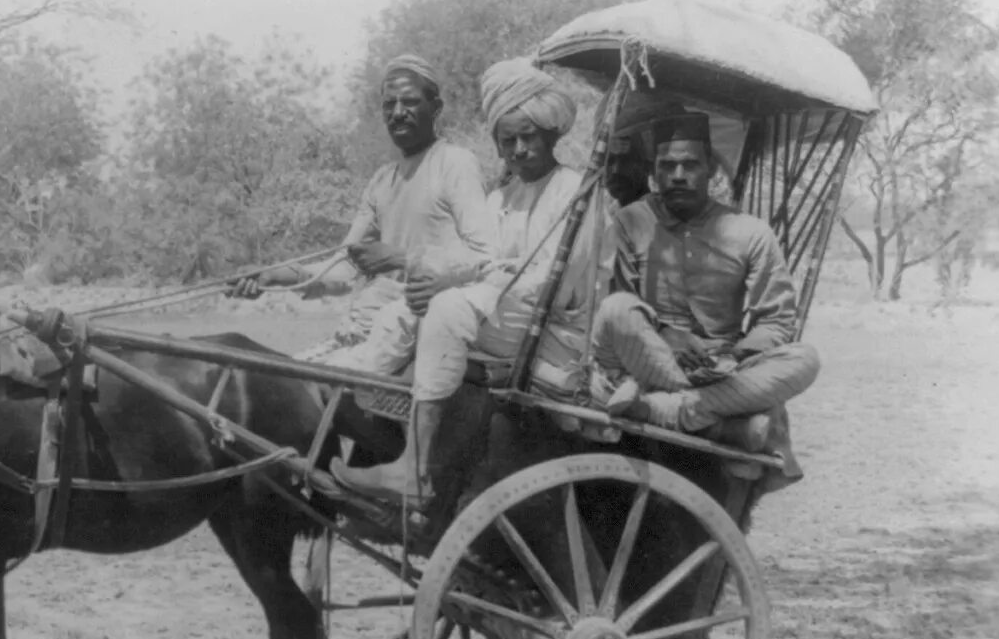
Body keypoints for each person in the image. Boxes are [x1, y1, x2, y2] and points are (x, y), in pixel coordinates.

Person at [331, 57, 593, 504]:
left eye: (529, 137)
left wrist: (474, 283)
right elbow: (477, 260)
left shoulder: (574, 190)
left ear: (551, 135)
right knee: (403, 308)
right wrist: (446, 277)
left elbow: (557, 284)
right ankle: (348, 393)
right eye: (508, 140)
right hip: (510, 315)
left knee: (448, 310)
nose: (519, 150)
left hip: (555, 331)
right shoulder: (501, 197)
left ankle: (414, 469)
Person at [229, 55, 495, 361]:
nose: (397, 112)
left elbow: (484, 256)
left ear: (436, 108)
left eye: (409, 101)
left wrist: (401, 258)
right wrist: (274, 276)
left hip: (420, 334)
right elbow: (345, 267)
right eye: (388, 104)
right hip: (366, 332)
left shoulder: (455, 163)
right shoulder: (382, 181)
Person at [592, 110, 820, 454]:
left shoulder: (750, 232)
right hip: (649, 359)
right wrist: (666, 333)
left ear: (710, 168)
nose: (678, 176)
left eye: (690, 165)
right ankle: (714, 415)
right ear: (655, 171)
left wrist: (731, 357)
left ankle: (665, 410)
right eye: (667, 166)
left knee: (806, 359)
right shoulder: (630, 222)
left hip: (723, 371)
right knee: (614, 309)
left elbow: (776, 321)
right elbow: (620, 302)